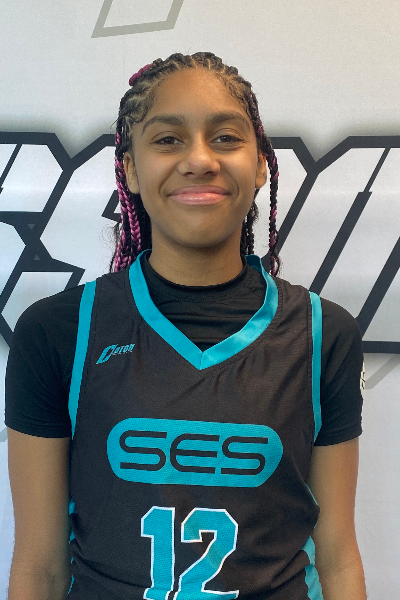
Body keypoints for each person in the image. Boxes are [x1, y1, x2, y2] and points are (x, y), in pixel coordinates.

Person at [6, 52, 367, 600]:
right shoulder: (59, 330)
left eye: (225, 138)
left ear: (261, 164)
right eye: (168, 139)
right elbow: (39, 567)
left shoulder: (323, 333)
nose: (199, 159)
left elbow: (338, 556)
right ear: (130, 168)